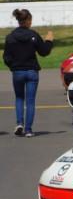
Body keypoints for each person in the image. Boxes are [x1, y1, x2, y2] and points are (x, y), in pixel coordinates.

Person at [3, 8, 54, 137]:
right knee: (30, 101)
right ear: (28, 21)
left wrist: (13, 66)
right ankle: (28, 129)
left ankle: (19, 123)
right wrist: (49, 41)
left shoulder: (10, 37)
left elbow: (6, 57)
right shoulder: (33, 35)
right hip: (32, 71)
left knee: (19, 98)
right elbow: (44, 52)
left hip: (18, 72)